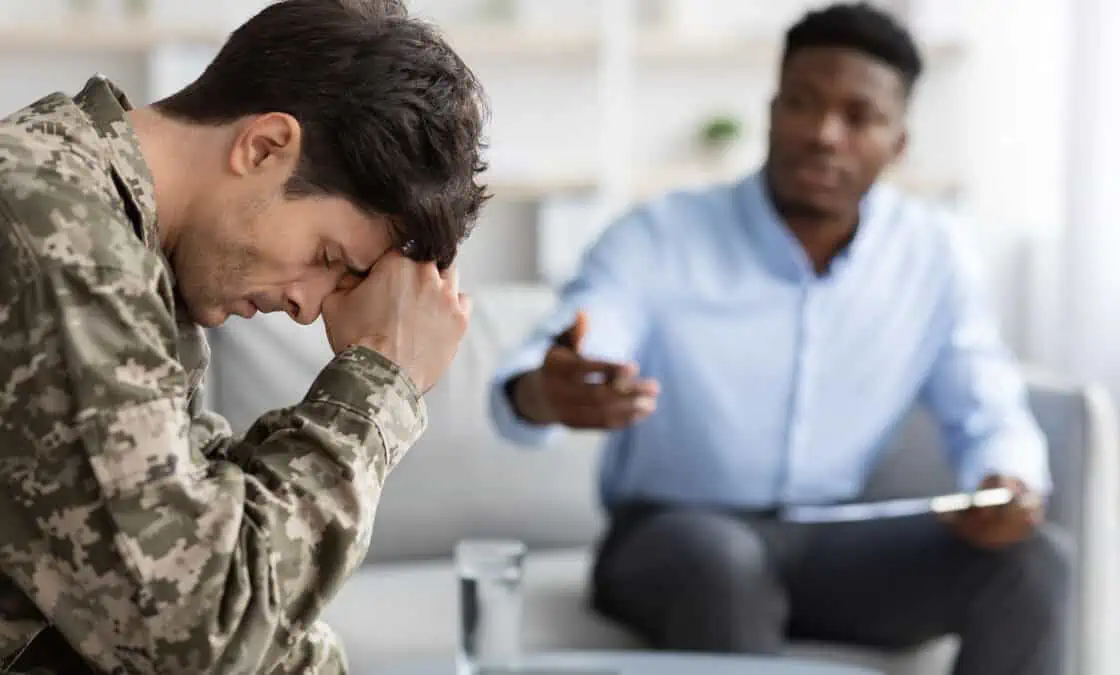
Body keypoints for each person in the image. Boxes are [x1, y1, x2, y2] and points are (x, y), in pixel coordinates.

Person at [490, 4, 1070, 674]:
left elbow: (989, 411)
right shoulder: (659, 235)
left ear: (899, 143)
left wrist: (1007, 480)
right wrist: (549, 390)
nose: (823, 134)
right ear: (771, 112)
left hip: (834, 543)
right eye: (802, 103)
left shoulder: (934, 255)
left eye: (859, 117)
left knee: (1034, 562)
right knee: (722, 564)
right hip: (672, 536)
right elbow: (572, 345)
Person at [0, 0, 487, 673]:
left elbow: (200, 546)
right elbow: (198, 631)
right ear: (264, 147)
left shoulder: (121, 237)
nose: (308, 310)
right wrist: (380, 382)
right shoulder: (66, 240)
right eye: (327, 257)